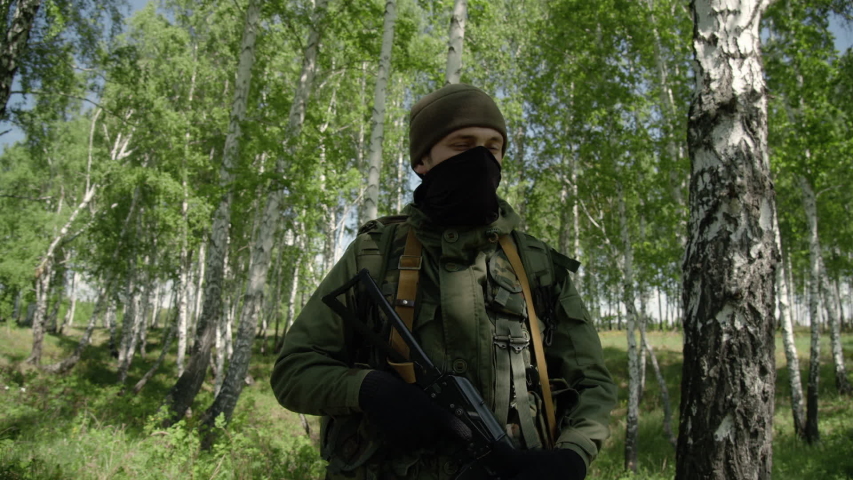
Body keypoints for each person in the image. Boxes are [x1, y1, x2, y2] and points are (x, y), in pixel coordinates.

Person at [271, 83, 616, 480]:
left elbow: (590, 381)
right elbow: (294, 370)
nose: (480, 158)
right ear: (423, 160)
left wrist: (572, 454)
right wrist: (367, 389)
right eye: (462, 144)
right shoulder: (374, 254)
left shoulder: (536, 264)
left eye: (492, 146)